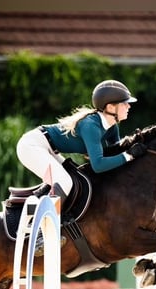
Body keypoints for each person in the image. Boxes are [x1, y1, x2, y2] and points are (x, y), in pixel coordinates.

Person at [16, 80, 146, 202]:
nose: (129, 106)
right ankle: (34, 222)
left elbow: (116, 153)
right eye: (124, 103)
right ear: (111, 107)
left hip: (49, 148)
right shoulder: (91, 126)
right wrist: (129, 155)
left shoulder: (112, 127)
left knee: (77, 180)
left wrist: (132, 145)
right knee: (65, 182)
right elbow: (98, 165)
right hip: (32, 146)